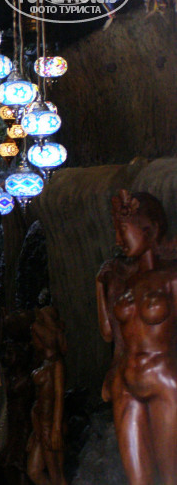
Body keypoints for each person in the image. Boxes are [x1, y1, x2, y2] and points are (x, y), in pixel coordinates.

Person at [96, 189, 177, 485]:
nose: (118, 240)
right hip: (125, 382)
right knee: (137, 480)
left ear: (150, 229)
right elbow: (109, 333)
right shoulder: (125, 282)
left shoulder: (172, 279)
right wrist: (100, 287)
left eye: (123, 230)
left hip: (164, 379)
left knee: (170, 475)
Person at [27, 306, 67, 485]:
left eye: (35, 337)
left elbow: (59, 396)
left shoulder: (56, 364)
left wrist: (56, 428)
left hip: (50, 425)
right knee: (34, 471)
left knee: (56, 475)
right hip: (40, 424)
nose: (32, 341)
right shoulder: (44, 363)